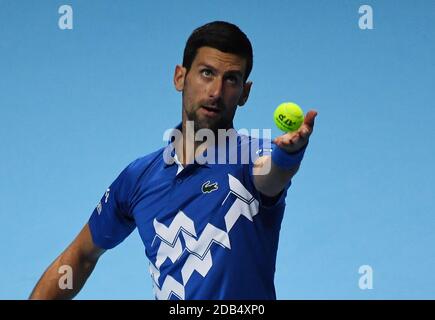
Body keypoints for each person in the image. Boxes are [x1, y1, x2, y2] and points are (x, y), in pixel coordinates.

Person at [30, 21, 317, 300]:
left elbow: (273, 175)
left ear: (245, 93)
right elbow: (79, 257)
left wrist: (289, 153)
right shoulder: (138, 178)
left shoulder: (253, 157)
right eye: (206, 73)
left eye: (231, 79)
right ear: (180, 77)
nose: (216, 92)